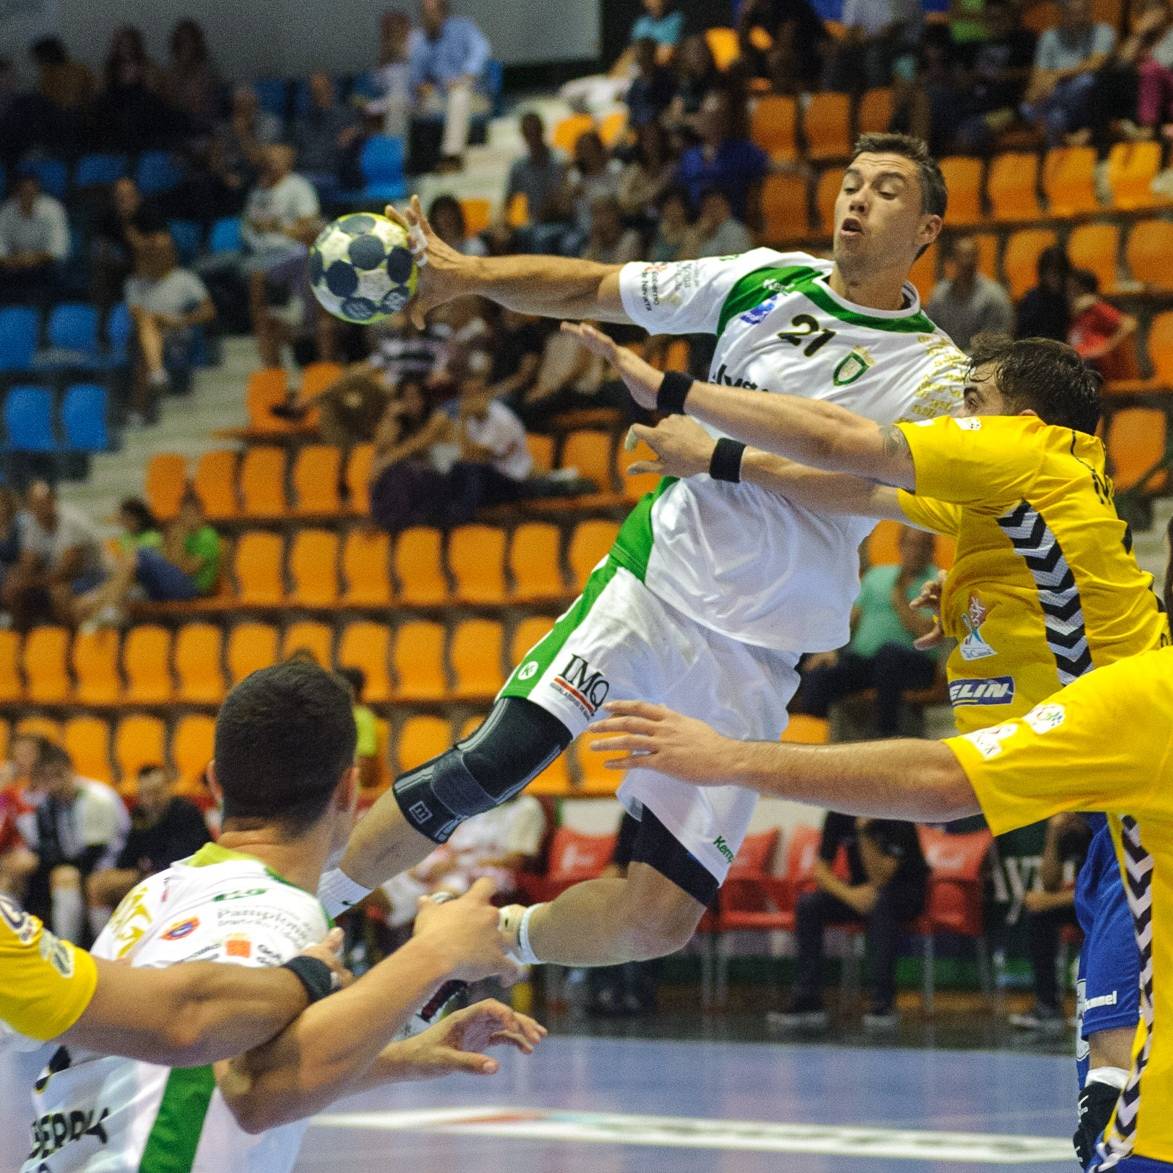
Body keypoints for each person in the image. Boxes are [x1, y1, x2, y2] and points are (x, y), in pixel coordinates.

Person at [317, 133, 968, 977]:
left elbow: (887, 494)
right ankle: (304, 909)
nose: (857, 200)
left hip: (759, 650)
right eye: (849, 183)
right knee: (495, 760)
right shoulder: (765, 279)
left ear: (926, 230)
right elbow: (592, 286)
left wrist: (721, 455)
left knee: (657, 919)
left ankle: (485, 941)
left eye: (885, 191)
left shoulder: (934, 373)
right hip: (655, 582)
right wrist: (469, 274)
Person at [581, 328, 1157, 1165]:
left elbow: (845, 441)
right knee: (1114, 1086)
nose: (957, 411)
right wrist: (717, 466)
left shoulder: (1025, 455)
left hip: (1135, 807)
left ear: (1020, 418)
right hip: (1109, 810)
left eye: (974, 399)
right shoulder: (1015, 497)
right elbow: (853, 490)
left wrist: (678, 394)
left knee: (1125, 1097)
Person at [591, 645, 1172, 1172]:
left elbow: (942, 781)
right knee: (824, 907)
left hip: (1154, 1129)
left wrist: (731, 759)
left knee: (887, 909)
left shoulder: (1147, 694)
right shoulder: (1130, 799)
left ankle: (879, 1001)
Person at [26, 660, 540, 1170]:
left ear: (215, 783)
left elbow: (221, 1073)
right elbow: (253, 1095)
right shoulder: (272, 910)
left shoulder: (163, 889)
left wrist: (397, 1059)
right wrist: (435, 954)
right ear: (348, 791)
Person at [775, 810, 926, 1029]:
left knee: (882, 904)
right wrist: (850, 895)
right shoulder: (838, 812)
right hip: (859, 893)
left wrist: (863, 831)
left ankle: (883, 1003)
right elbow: (821, 872)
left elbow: (881, 877)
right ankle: (808, 999)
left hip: (904, 892)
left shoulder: (897, 813)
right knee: (809, 904)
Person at [793, 525, 939, 737]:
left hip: (913, 666)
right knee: (820, 669)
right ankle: (808, 732)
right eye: (911, 544)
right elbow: (851, 618)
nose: (915, 551)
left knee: (888, 655)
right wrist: (830, 648)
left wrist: (899, 598)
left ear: (931, 550)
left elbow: (928, 633)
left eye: (923, 546)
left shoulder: (935, 582)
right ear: (900, 546)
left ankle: (886, 735)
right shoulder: (876, 576)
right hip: (867, 663)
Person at [22, 741, 129, 945]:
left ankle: (98, 948)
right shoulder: (46, 805)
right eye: (46, 778)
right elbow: (46, 847)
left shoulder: (97, 798)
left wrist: (64, 867)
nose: (53, 784)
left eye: (58, 775)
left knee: (68, 878)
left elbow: (98, 850)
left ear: (70, 770)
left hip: (111, 863)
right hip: (70, 863)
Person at [85, 765, 210, 914]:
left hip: (185, 878)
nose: (151, 800)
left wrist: (139, 874)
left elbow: (180, 859)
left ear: (169, 788)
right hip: (150, 875)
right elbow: (127, 858)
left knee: (104, 885)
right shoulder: (139, 816)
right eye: (145, 794)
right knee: (98, 883)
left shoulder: (186, 812)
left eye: (156, 792)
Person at [1009, 811, 1090, 1031]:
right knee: (1039, 916)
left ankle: (1098, 1004)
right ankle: (1047, 1006)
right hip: (1085, 903)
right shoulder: (1071, 831)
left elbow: (1102, 889)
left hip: (1115, 906)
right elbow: (1048, 881)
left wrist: (1050, 901)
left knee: (1046, 907)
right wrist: (1053, 835)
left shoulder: (1103, 829)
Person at [124, 230, 216, 420]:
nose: (156, 256)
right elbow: (136, 313)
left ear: (171, 254)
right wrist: (158, 319)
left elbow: (209, 311)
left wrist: (181, 320)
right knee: (146, 330)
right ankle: (156, 373)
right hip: (147, 331)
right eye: (151, 252)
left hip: (179, 331)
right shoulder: (134, 282)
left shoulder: (185, 279)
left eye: (162, 251)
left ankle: (139, 409)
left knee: (144, 352)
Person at [4, 482, 106, 629]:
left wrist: (28, 582)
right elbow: (28, 564)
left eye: (41, 503)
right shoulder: (32, 525)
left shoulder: (72, 522)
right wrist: (18, 581)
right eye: (34, 505)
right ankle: (22, 640)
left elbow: (67, 572)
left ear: (53, 501)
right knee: (15, 589)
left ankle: (71, 640)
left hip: (92, 576)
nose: (38, 509)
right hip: (53, 577)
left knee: (58, 592)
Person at [407, 0, 491, 171]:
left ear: (443, 11)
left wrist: (463, 77)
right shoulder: (419, 40)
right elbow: (416, 80)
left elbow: (482, 50)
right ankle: (402, 163)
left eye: (433, 11)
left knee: (458, 95)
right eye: (425, 12)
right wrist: (425, 88)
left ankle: (452, 156)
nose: (429, 17)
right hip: (438, 97)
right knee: (401, 102)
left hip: (471, 95)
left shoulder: (464, 27)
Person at [1020, 0, 1116, 146]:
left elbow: (1096, 63)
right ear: (1062, 13)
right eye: (1072, 13)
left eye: (1082, 12)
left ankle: (1071, 139)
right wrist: (1037, 90)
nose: (1078, 18)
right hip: (1057, 98)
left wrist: (1056, 76)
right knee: (1030, 108)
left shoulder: (1103, 31)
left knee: (1085, 82)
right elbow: (1038, 74)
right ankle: (1062, 147)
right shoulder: (1049, 36)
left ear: (1089, 12)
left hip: (1087, 102)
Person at [675, 88, 767, 227]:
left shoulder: (743, 150)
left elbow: (771, 167)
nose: (714, 122)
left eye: (719, 116)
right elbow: (682, 194)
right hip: (694, 224)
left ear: (726, 120)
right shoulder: (689, 156)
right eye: (709, 116)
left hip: (729, 226)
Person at [925, 235, 1014, 353]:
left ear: (977, 259)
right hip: (944, 361)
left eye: (970, 256)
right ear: (952, 260)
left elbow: (996, 342)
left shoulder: (994, 295)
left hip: (983, 364)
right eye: (961, 256)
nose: (966, 261)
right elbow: (930, 335)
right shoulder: (939, 295)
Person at [501, 110, 570, 254]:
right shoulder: (518, 167)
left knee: (539, 237)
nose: (532, 137)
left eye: (535, 132)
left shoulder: (560, 160)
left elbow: (561, 202)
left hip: (561, 221)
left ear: (542, 131)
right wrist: (502, 226)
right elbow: (507, 201)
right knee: (505, 238)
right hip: (534, 223)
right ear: (523, 135)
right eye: (528, 133)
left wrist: (538, 217)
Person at [0, 171, 69, 303]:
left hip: (44, 263)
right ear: (16, 192)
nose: (27, 195)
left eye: (31, 192)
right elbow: (1, 245)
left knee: (54, 272)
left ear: (38, 191)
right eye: (23, 192)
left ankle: (44, 316)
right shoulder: (6, 211)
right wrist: (13, 260)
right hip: (13, 263)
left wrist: (33, 258)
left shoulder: (53, 209)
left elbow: (58, 250)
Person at [293, 72, 363, 197]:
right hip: (305, 172)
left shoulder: (346, 118)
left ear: (331, 90)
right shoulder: (303, 121)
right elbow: (297, 153)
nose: (318, 95)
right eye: (314, 92)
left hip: (335, 173)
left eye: (321, 91)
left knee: (297, 184)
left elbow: (342, 153)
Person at [1068, 267, 1138, 382]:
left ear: (1082, 290)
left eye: (1072, 289)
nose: (1068, 294)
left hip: (1095, 365)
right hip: (1081, 362)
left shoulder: (1096, 308)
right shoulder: (1075, 315)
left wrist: (1106, 348)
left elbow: (1130, 325)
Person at [337, 666, 382, 790]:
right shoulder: (336, 714)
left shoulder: (363, 717)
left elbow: (366, 759)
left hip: (350, 791)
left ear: (350, 689)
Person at [1016, 244, 1071, 342]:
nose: (1055, 278)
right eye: (1050, 273)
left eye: (1059, 273)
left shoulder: (1071, 298)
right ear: (1042, 273)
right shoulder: (1032, 300)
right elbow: (1023, 334)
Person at [681, 187, 753, 259]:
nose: (712, 210)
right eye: (707, 206)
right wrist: (697, 233)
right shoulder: (700, 230)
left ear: (728, 207)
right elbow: (683, 261)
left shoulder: (734, 231)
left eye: (716, 205)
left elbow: (729, 264)